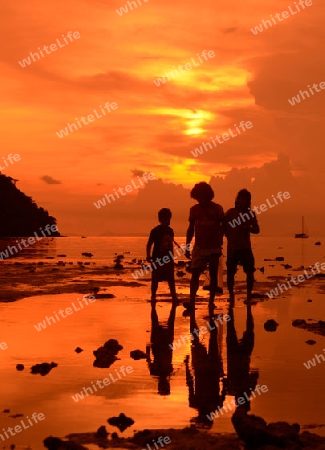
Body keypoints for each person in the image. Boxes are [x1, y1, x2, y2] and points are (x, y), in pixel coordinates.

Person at [185, 182, 224, 310]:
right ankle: (192, 301)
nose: (200, 200)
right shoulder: (194, 210)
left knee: (213, 274)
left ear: (208, 196)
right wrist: (187, 245)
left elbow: (223, 227)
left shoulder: (217, 209)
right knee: (195, 273)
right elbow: (190, 229)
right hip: (199, 247)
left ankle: (211, 302)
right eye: (198, 198)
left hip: (214, 247)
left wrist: (222, 241)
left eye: (202, 197)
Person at [223, 189, 260, 301]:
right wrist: (227, 236)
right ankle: (231, 295)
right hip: (232, 248)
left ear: (248, 201)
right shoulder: (230, 213)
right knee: (230, 272)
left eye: (246, 199)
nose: (243, 201)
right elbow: (223, 227)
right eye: (241, 198)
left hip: (245, 247)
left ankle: (248, 295)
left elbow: (257, 230)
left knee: (249, 271)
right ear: (238, 199)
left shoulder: (250, 214)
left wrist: (248, 228)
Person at [146, 208, 177, 302]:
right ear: (163, 219)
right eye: (168, 219)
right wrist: (148, 256)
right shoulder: (155, 231)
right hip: (157, 258)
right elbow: (149, 244)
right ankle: (153, 296)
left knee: (171, 279)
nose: (169, 221)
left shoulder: (170, 230)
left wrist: (172, 258)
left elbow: (171, 245)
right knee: (155, 279)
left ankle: (174, 297)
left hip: (168, 259)